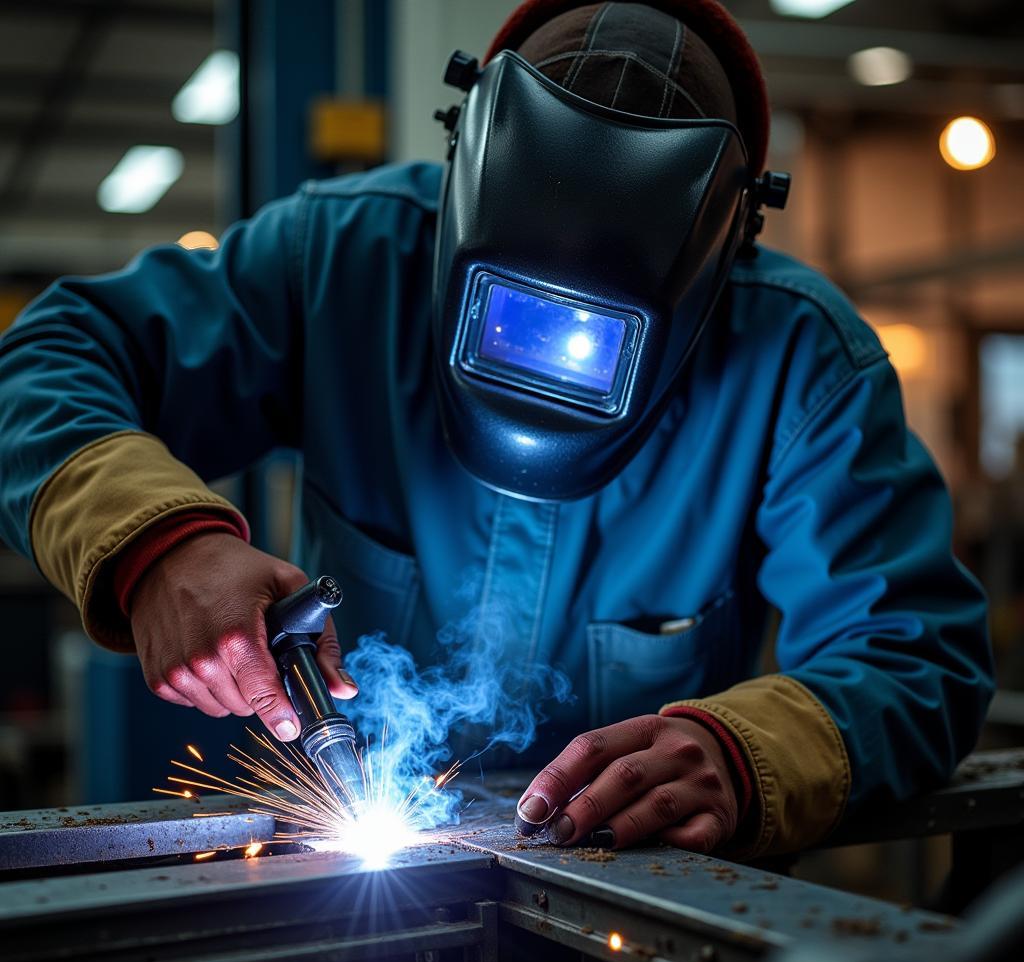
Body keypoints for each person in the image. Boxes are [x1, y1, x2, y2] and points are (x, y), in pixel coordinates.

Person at [0, 0, 993, 859]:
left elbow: (913, 657)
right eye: (510, 313)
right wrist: (154, 543)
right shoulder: (340, 262)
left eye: (596, 339)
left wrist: (748, 752)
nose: (546, 360)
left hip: (646, 919)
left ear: (720, 249)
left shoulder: (798, 360)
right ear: (462, 180)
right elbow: (47, 362)